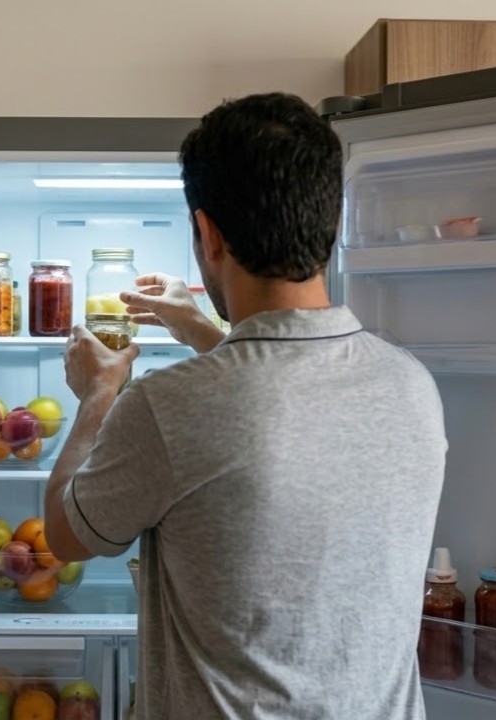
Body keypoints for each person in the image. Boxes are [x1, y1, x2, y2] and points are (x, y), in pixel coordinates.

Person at [43, 92, 447, 719]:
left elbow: (67, 537)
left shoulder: (166, 406)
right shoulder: (411, 383)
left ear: (208, 233)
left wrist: (97, 395)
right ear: (333, 221)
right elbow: (279, 403)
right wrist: (204, 332)